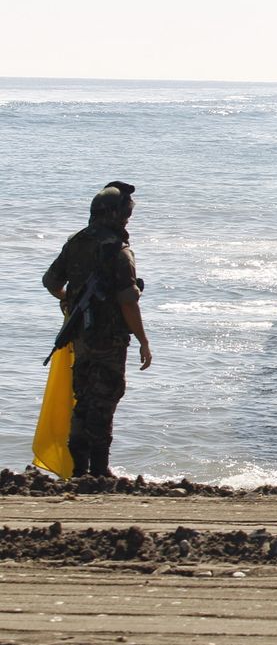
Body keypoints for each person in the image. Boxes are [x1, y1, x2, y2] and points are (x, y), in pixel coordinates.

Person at [42, 181, 152, 478]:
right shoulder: (118, 251)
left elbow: (51, 282)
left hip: (80, 336)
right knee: (105, 398)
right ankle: (100, 470)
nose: (127, 221)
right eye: (126, 215)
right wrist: (143, 341)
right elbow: (128, 302)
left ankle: (79, 469)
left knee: (84, 397)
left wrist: (70, 301)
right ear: (114, 214)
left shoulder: (76, 242)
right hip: (109, 338)